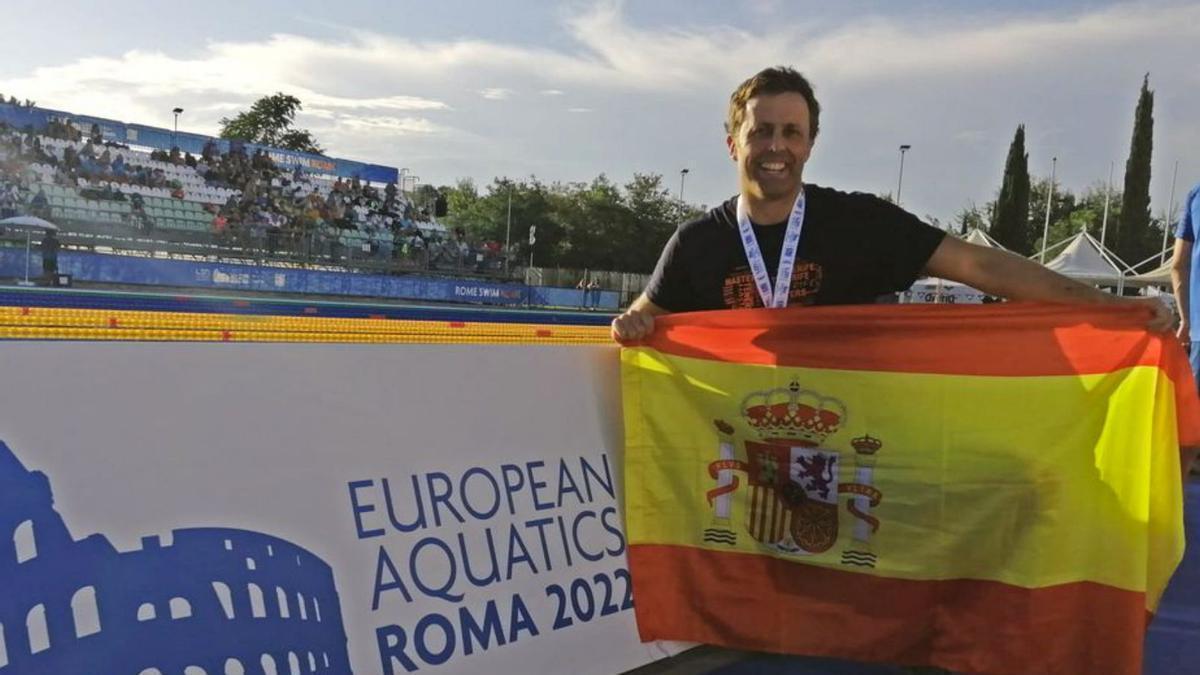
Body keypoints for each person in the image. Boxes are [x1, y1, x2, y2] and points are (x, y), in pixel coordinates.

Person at [611, 66, 1172, 341]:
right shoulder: (697, 242)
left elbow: (982, 266)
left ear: (810, 143)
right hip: (734, 453)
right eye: (760, 132)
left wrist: (1104, 306)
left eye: (792, 131)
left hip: (850, 447)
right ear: (734, 143)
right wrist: (629, 326)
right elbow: (643, 317)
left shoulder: (861, 223)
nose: (776, 147)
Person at [1171, 181, 1200, 475]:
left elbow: (1178, 264)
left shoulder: (1196, 194)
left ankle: (1173, 501)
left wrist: (1186, 319)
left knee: (1189, 425)